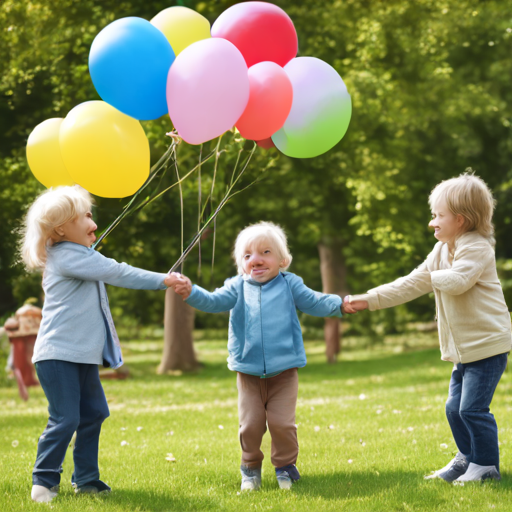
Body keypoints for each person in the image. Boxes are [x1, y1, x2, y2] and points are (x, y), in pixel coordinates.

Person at [345, 172, 511, 483]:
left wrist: (428, 279)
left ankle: (486, 466)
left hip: (487, 345)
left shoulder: (477, 247)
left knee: (472, 410)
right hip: (464, 351)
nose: (432, 222)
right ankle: (467, 458)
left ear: (460, 220)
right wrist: (370, 299)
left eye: (438, 216)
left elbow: (459, 281)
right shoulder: (441, 250)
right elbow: (410, 283)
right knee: (454, 408)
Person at [20, 185, 175, 502]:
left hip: (79, 356)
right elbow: (117, 271)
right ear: (62, 228)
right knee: (66, 418)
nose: (93, 221)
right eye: (85, 216)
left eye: (91, 214)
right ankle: (43, 482)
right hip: (58, 355)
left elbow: (104, 267)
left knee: (94, 413)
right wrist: (164, 279)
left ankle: (87, 479)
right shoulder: (66, 256)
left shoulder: (78, 255)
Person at [168, 221, 345, 491]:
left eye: (265, 252)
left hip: (284, 371)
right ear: (241, 264)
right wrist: (192, 292)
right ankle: (250, 468)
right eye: (247, 255)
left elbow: (315, 302)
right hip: (248, 371)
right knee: (250, 424)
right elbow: (214, 301)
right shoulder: (237, 286)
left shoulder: (290, 284)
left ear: (283, 260)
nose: (256, 260)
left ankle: (286, 466)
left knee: (281, 423)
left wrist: (341, 304)